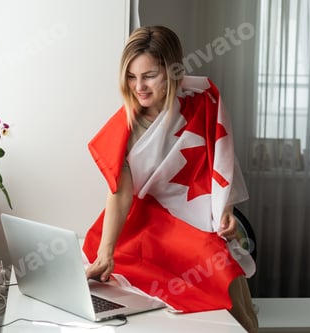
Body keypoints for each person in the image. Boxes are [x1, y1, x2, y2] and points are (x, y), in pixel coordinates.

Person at [82, 25, 258, 332]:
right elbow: (120, 193)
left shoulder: (203, 104)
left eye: (149, 76)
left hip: (194, 222)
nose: (139, 87)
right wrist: (105, 253)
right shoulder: (125, 126)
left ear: (173, 70)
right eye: (131, 77)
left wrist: (224, 208)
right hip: (146, 224)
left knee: (220, 271)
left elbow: (221, 163)